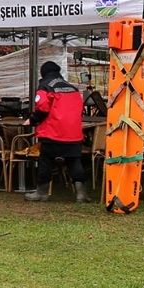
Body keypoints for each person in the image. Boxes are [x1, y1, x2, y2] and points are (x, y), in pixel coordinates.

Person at [23, 61, 90, 203]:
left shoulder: (45, 86)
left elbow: (42, 108)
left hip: (52, 132)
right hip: (73, 133)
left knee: (45, 161)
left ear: (43, 73)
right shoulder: (72, 87)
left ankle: (41, 193)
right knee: (74, 161)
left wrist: (32, 120)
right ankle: (81, 193)